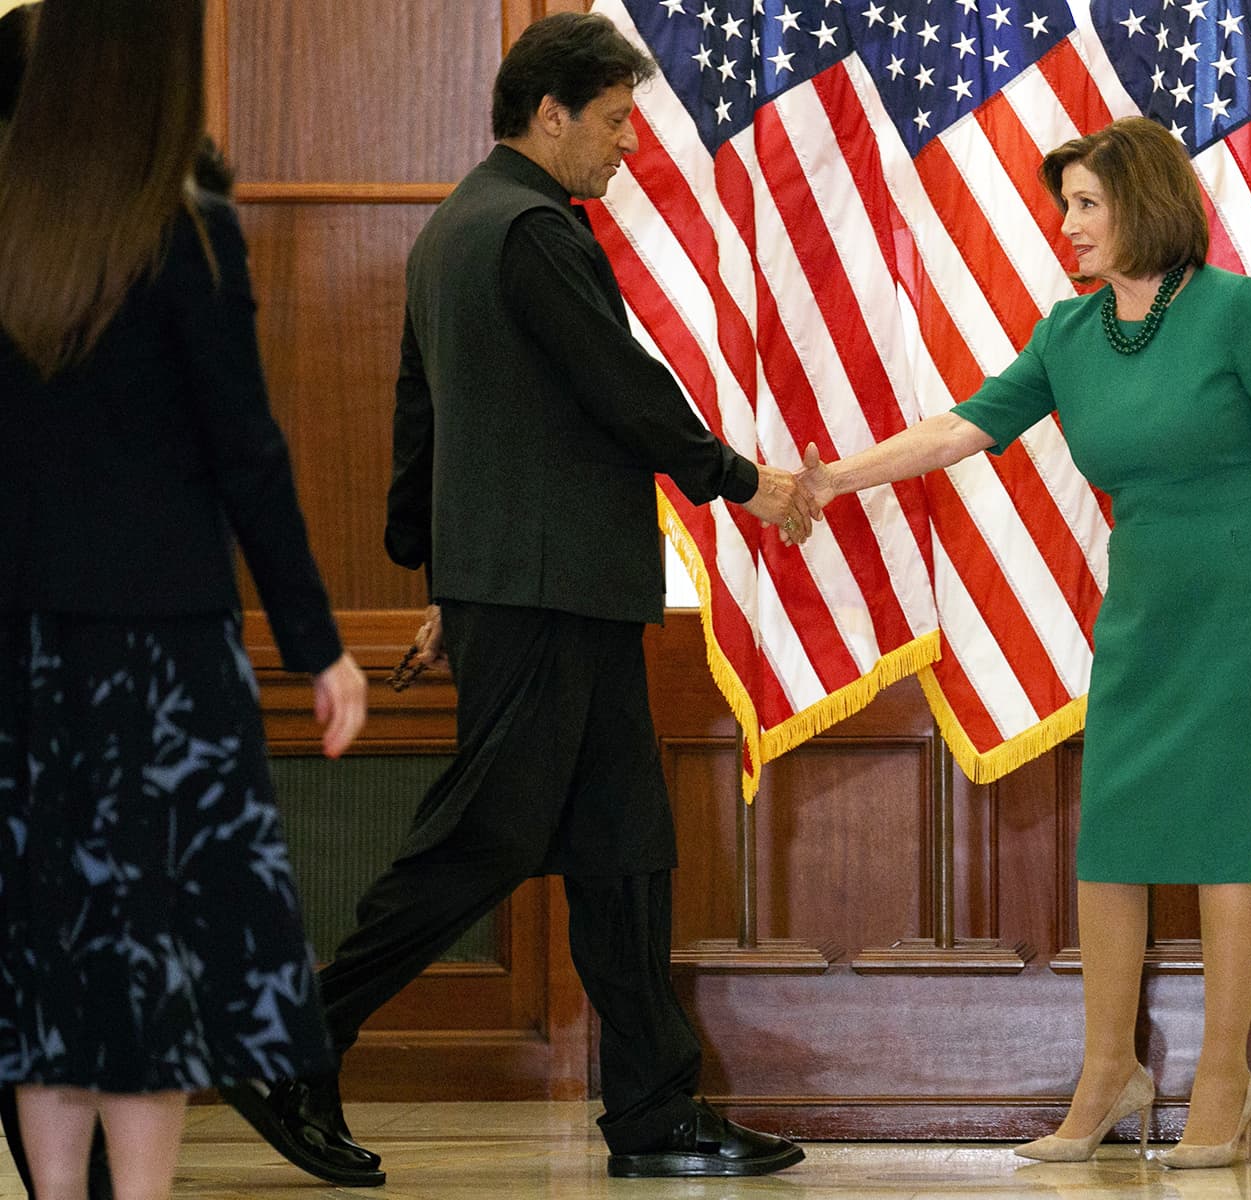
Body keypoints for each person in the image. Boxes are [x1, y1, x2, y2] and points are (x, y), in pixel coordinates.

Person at [222, 11, 816, 1183]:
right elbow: (619, 388)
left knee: (624, 850)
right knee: (484, 838)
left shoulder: (455, 228)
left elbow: (424, 416)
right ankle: (286, 1046)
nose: (629, 144)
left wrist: (447, 575)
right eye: (613, 120)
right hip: (550, 592)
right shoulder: (537, 231)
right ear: (551, 114)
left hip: (541, 588)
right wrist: (742, 482)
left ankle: (654, 1111)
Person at [797, 116, 1251, 1169]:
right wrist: (833, 480)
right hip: (1143, 604)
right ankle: (1111, 1072)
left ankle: (1225, 1081)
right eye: (1067, 206)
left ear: (1144, 205)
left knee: (1219, 841)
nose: (1068, 225)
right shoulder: (1068, 333)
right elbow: (957, 429)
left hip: (1245, 596)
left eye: (1085, 204)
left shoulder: (1238, 312)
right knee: (1114, 837)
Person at [0, 0, 370, 1197]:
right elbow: (247, 459)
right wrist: (322, 648)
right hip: (160, 663)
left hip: (20, 656)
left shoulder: (5, 230)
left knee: (44, 966)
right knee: (144, 978)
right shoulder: (188, 235)